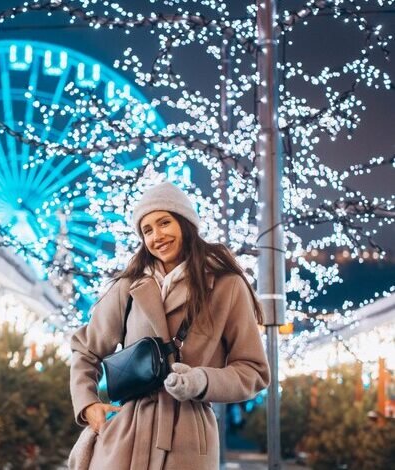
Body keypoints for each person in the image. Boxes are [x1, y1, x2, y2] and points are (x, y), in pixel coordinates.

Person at [69, 182, 270, 470]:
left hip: (189, 438)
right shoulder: (128, 287)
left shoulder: (226, 285)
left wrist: (201, 381)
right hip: (126, 433)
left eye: (164, 222)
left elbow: (254, 371)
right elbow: (85, 350)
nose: (156, 236)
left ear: (185, 223)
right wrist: (88, 404)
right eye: (147, 230)